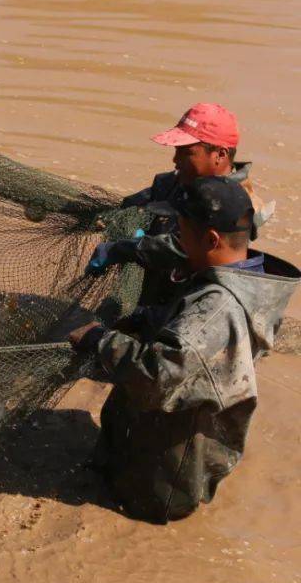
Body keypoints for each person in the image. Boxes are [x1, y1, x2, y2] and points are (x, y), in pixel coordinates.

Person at [69, 176, 298, 523]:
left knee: (129, 508)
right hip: (184, 444)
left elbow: (161, 375)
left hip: (162, 481)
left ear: (211, 238)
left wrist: (98, 340)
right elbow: (197, 342)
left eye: (181, 229)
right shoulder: (246, 278)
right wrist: (150, 318)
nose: (174, 237)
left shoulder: (217, 310)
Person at [85, 103, 271, 306]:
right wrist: (116, 217)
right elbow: (137, 204)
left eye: (186, 152)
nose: (175, 159)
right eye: (176, 150)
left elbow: (184, 247)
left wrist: (123, 249)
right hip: (154, 292)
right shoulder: (176, 181)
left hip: (195, 303)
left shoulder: (238, 204)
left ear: (220, 155)